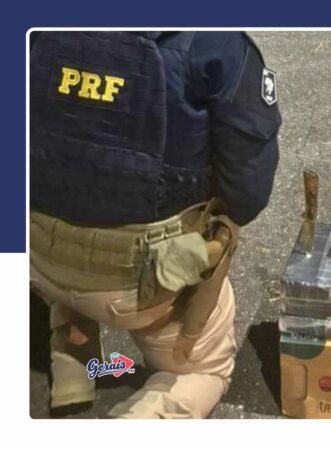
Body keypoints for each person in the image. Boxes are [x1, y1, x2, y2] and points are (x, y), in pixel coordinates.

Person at [28, 31, 281, 418]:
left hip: (41, 257)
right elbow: (248, 193)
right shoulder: (215, 43)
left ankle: (72, 359)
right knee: (205, 368)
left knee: (77, 162)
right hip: (144, 283)